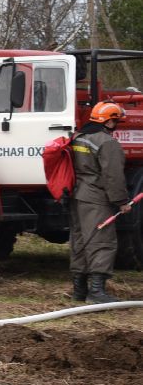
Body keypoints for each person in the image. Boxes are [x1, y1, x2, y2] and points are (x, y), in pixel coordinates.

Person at [70, 100, 128, 303]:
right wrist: (121, 201)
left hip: (77, 196)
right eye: (116, 121)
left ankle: (79, 290)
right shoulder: (106, 142)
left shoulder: (78, 138)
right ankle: (96, 292)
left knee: (80, 241)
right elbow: (113, 176)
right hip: (96, 198)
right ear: (109, 121)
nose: (116, 125)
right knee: (101, 242)